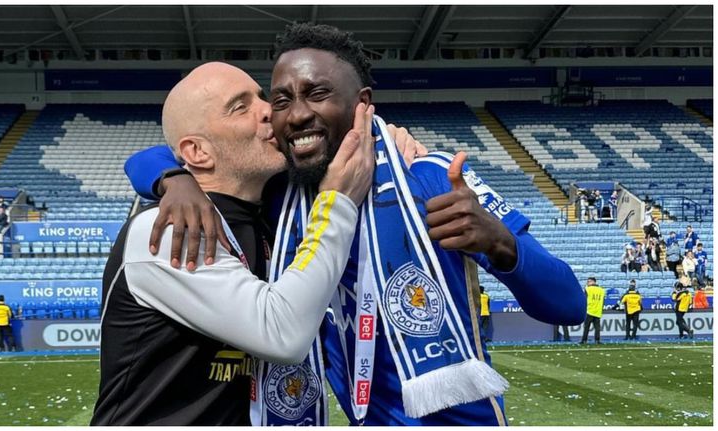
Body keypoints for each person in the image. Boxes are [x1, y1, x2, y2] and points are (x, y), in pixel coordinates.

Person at [125, 23, 586, 426]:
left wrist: (502, 243)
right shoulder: (280, 201)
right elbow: (171, 150)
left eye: (318, 93)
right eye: (282, 100)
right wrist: (173, 179)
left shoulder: (432, 178)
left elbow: (569, 303)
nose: (296, 113)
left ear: (363, 104)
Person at [91, 62, 374, 425]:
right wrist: (338, 202)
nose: (268, 111)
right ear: (197, 153)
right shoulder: (168, 229)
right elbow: (282, 334)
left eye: (261, 97)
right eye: (241, 107)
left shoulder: (275, 213)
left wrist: (392, 141)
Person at [580, 277, 605, 345]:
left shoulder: (588, 289)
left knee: (586, 327)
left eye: (589, 281)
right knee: (597, 328)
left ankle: (584, 340)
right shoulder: (602, 290)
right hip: (598, 311)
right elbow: (603, 301)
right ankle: (597, 340)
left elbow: (584, 300)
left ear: (594, 282)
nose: (587, 283)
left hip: (589, 310)